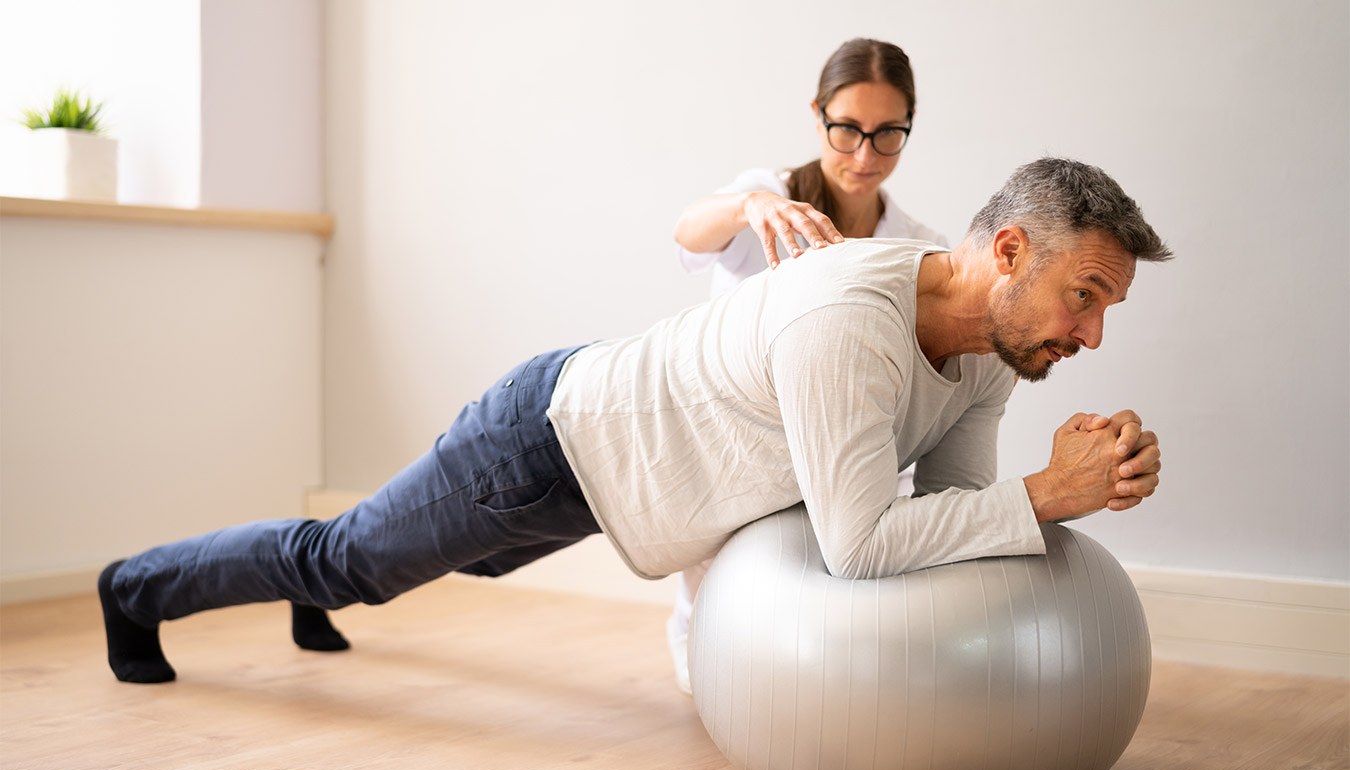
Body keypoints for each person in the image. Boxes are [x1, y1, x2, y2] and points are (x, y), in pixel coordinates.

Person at [100, 157, 1170, 685]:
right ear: (1013, 253)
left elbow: (949, 512)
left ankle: (313, 595)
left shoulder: (987, 354)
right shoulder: (851, 318)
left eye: (1107, 310)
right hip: (548, 444)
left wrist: (1078, 481)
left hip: (617, 477)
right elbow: (862, 546)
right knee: (347, 559)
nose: (1092, 338)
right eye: (1087, 296)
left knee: (423, 562)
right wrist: (1041, 496)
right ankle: (133, 590)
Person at [666, 37, 944, 692]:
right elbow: (686, 232)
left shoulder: (918, 247)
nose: (864, 156)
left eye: (887, 135)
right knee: (723, 634)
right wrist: (751, 207)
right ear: (818, 114)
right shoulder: (772, 197)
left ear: (908, 128)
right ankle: (698, 633)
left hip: (841, 451)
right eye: (847, 130)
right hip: (738, 448)